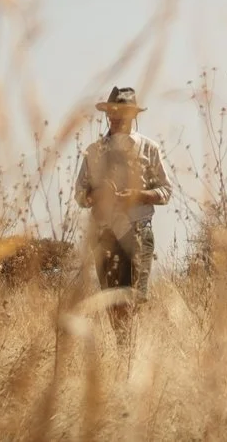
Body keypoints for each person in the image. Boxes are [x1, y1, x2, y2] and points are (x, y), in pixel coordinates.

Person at [74, 85, 171, 307]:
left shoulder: (149, 148)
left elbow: (166, 191)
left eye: (121, 112)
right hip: (105, 233)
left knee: (134, 298)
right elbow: (80, 195)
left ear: (132, 115)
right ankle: (123, 342)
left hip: (138, 231)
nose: (115, 117)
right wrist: (98, 195)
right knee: (112, 300)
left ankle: (129, 342)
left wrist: (138, 195)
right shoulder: (94, 151)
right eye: (112, 112)